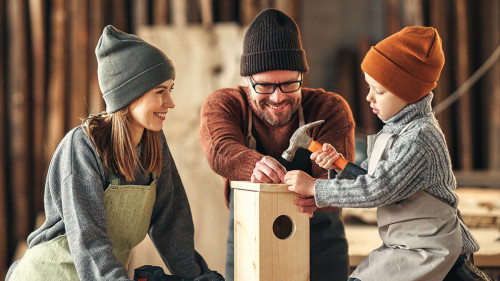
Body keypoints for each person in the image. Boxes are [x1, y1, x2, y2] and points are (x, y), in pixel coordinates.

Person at [6, 25, 222, 281]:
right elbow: (89, 243)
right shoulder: (83, 148)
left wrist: (198, 277)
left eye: (170, 89)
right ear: (130, 96)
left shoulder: (154, 145)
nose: (170, 103)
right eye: (159, 92)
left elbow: (172, 224)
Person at [285, 26, 492, 281]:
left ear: (409, 91)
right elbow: (374, 178)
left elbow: (376, 190)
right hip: (405, 245)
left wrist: (316, 188)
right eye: (369, 87)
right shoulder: (394, 130)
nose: (369, 97)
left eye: (379, 91)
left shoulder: (419, 137)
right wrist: (338, 167)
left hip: (431, 249)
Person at [199, 8, 355, 281]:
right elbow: (220, 150)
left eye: (288, 84)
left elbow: (339, 186)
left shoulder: (330, 109)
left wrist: (323, 183)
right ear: (247, 81)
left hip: (321, 250)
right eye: (265, 86)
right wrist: (252, 164)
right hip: (249, 243)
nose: (277, 97)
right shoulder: (224, 104)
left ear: (301, 76)